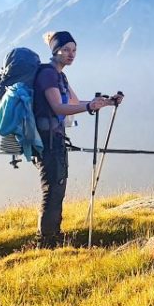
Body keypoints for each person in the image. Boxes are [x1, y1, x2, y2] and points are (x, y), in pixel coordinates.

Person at [33, 31, 120, 247]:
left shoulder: (60, 76)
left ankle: (53, 236)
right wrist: (90, 106)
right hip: (47, 142)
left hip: (56, 140)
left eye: (74, 50)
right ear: (55, 51)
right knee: (53, 189)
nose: (71, 54)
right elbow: (59, 107)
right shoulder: (48, 75)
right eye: (66, 50)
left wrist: (107, 102)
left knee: (58, 187)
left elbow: (75, 102)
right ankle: (47, 241)